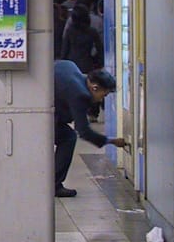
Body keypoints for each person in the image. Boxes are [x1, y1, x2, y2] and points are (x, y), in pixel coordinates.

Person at [54, 62, 126, 197]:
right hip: (40, 112)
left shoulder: (71, 67)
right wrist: (111, 141)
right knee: (68, 138)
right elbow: (83, 131)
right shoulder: (80, 94)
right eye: (103, 95)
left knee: (66, 134)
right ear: (94, 87)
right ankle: (55, 185)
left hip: (44, 103)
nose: (101, 100)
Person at [61, 3, 103, 74]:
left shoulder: (70, 31)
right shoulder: (92, 31)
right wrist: (99, 63)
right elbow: (100, 49)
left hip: (72, 65)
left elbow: (65, 50)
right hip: (87, 64)